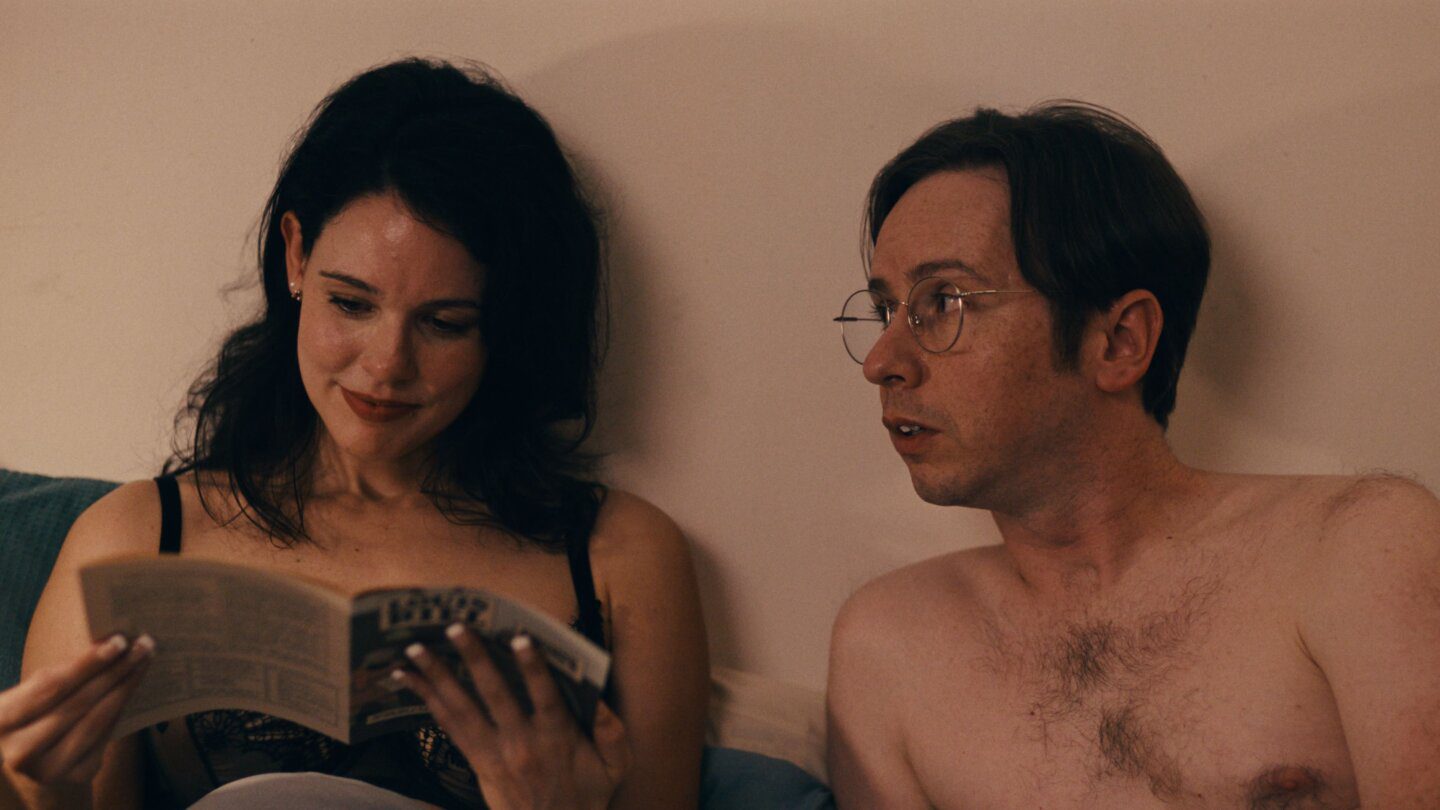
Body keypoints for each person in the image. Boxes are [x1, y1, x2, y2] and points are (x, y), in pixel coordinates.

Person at [0, 58, 708, 809]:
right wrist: (37, 791)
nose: (386, 366)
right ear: (296, 255)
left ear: (507, 323)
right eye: (351, 303)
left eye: (445, 323)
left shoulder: (619, 557)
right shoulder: (134, 538)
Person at [825, 103, 1440, 807]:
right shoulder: (887, 648)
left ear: (1120, 341)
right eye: (886, 309)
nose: (880, 362)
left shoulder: (1356, 551)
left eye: (945, 301)